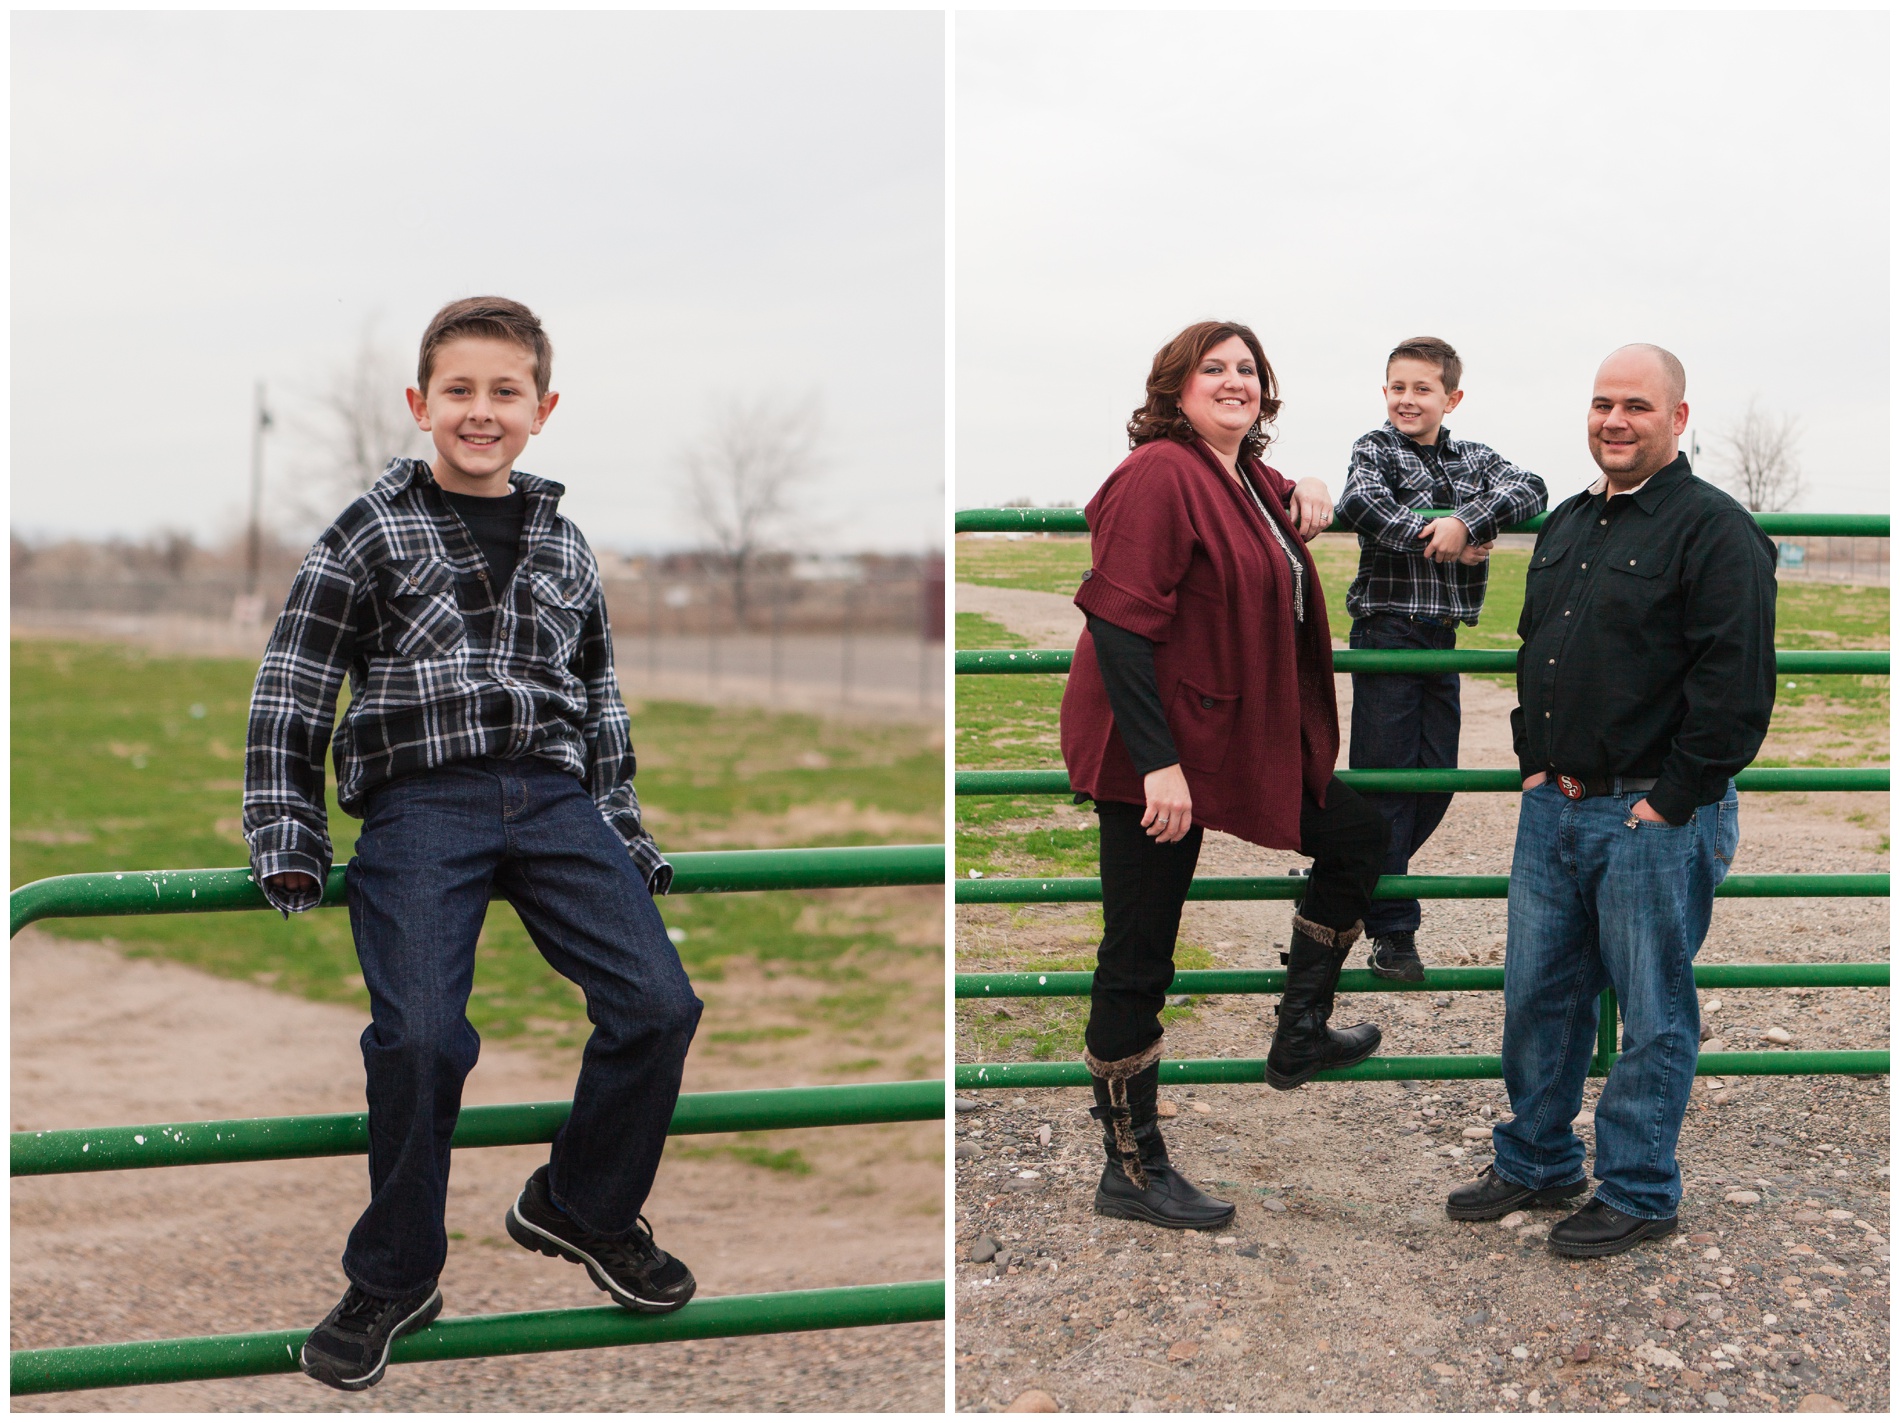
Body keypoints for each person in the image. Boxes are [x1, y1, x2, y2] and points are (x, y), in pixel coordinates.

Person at [244, 297, 702, 1390]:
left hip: (552, 802)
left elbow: (598, 700)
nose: (481, 411)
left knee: (658, 1005)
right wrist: (288, 827)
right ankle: (395, 1275)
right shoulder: (369, 529)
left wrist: (622, 829)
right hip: (421, 803)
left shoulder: (564, 541)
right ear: (420, 404)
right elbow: (293, 685)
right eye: (460, 390)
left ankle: (579, 1206)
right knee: (421, 1041)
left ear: (542, 410)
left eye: (505, 392)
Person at [1060, 320, 1389, 1230]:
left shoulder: (1239, 474)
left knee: (1356, 832)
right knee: (1138, 956)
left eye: (1248, 370)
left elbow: (1284, 502)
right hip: (1152, 755)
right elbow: (1119, 626)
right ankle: (1130, 1164)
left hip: (1221, 741)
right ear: (1175, 387)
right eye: (1215, 369)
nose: (1235, 381)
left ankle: (1300, 1030)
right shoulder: (1159, 473)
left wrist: (1313, 485)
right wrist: (1159, 763)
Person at [1448, 344, 1775, 1257]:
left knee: (1651, 1007)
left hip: (1652, 815)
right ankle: (1539, 1160)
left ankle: (1638, 1187)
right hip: (1556, 803)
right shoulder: (1567, 520)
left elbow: (1736, 685)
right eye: (1601, 403)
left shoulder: (1715, 529)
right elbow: (1536, 646)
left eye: (1636, 404)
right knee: (1537, 997)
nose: (1614, 420)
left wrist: (1673, 800)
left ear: (1677, 419)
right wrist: (1531, 758)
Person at [1336, 337, 1548, 981]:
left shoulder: (1474, 457)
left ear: (1450, 398)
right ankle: (1393, 932)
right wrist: (1444, 537)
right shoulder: (1374, 449)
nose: (1407, 399)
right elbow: (1363, 505)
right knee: (1387, 779)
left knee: (1435, 777)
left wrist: (1470, 522)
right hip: (1387, 633)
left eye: (1422, 389)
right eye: (1397, 387)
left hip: (1442, 637)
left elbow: (1530, 488)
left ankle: (1343, 878)